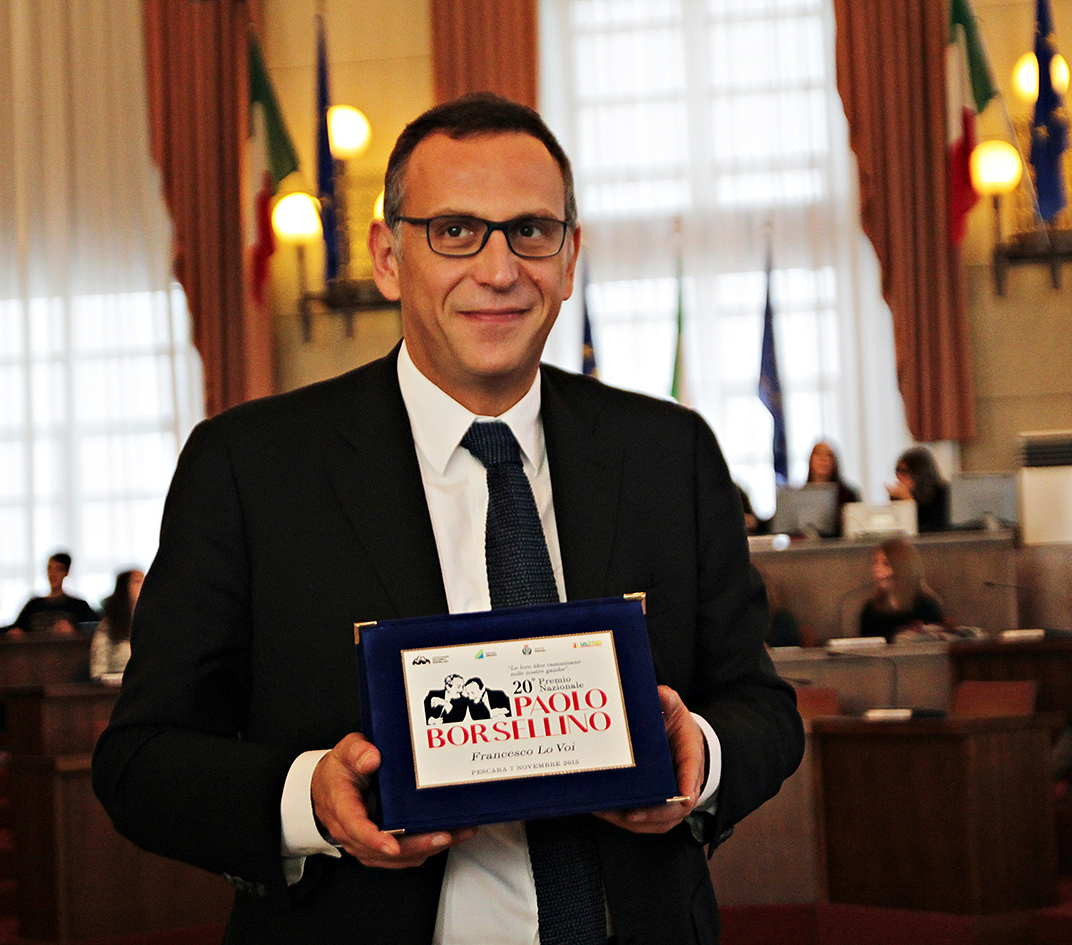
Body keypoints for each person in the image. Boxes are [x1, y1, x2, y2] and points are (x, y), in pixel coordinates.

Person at [91, 93, 804, 945]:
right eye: (455, 231)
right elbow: (141, 760)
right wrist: (307, 797)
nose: (499, 270)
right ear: (388, 257)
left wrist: (702, 755)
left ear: (569, 256)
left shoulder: (668, 453)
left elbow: (761, 707)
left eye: (530, 231)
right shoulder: (250, 468)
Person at [858, 538, 946, 642]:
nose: (877, 569)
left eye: (886, 564)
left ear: (902, 568)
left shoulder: (927, 605)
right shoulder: (871, 608)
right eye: (875, 563)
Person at [12, 551, 98, 634]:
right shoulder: (33, 605)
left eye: (58, 569)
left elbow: (97, 626)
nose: (53, 574)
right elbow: (15, 628)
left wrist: (75, 629)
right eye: (50, 568)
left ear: (66, 572)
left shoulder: (79, 606)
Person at [90, 569, 143, 677]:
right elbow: (98, 670)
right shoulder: (109, 625)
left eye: (144, 581)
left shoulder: (153, 621)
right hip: (117, 682)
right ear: (124, 587)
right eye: (137, 581)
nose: (142, 586)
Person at [887, 446, 949, 532]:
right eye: (898, 471)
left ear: (919, 474)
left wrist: (908, 502)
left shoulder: (942, 494)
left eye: (904, 472)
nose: (899, 477)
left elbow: (932, 528)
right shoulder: (903, 494)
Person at [805, 440, 861, 507]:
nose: (823, 459)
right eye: (818, 454)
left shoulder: (849, 495)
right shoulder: (802, 496)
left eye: (828, 455)